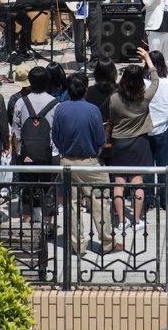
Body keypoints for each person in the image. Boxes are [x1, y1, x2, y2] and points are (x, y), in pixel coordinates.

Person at [52, 74, 121, 254]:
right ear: (85, 89)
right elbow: (100, 139)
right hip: (90, 162)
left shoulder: (60, 109)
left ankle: (77, 245)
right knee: (100, 203)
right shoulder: (93, 110)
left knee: (72, 205)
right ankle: (107, 242)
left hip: (67, 161)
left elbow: (55, 137)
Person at [107, 48, 161, 236]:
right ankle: (137, 220)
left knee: (119, 183)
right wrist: (148, 60)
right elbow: (156, 80)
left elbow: (112, 118)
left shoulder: (114, 99)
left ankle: (122, 221)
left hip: (120, 142)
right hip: (139, 142)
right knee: (138, 182)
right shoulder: (144, 98)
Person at [11, 67, 61, 224]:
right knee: (49, 189)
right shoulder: (56, 104)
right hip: (51, 154)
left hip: (27, 154)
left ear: (30, 82)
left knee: (27, 189)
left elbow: (16, 132)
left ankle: (27, 224)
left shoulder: (21, 102)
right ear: (47, 82)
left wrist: (18, 153)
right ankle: (47, 226)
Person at [145, 50, 168, 210]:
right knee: (165, 166)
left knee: (147, 166)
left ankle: (148, 199)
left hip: (145, 127)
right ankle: (165, 200)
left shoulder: (143, 83)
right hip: (163, 127)